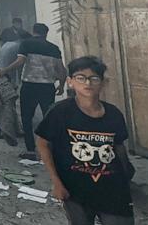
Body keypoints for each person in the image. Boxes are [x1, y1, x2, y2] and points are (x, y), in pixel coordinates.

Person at [36, 56, 135, 224]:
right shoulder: (61, 112)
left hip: (112, 189)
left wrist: (126, 176)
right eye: (81, 78)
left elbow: (119, 147)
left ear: (102, 83)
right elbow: (43, 142)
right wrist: (56, 182)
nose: (87, 83)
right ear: (70, 82)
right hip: (75, 189)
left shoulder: (114, 114)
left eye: (94, 78)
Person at [0, 22, 67, 158]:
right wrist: (61, 85)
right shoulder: (54, 48)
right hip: (47, 87)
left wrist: (4, 71)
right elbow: (61, 70)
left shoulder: (26, 44)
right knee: (48, 117)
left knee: (26, 117)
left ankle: (30, 149)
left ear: (33, 31)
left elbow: (20, 61)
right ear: (46, 34)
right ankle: (50, 147)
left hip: (30, 86)